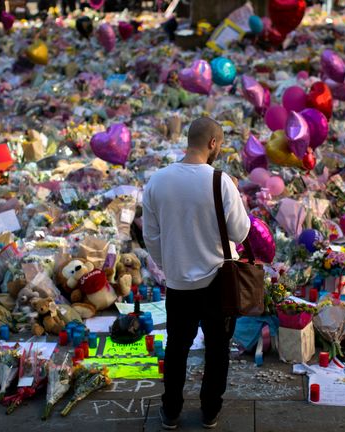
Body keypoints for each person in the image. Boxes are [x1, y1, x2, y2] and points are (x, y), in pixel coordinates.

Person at [142, 117, 250, 430]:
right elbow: (241, 233)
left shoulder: (158, 181)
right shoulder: (221, 181)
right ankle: (209, 410)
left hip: (178, 284)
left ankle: (171, 411)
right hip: (218, 281)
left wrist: (169, 264)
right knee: (217, 349)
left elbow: (151, 236)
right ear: (213, 143)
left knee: (177, 347)